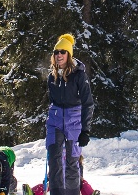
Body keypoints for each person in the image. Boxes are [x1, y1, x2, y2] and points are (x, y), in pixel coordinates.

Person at [45, 33, 94, 195]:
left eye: (62, 52)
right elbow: (52, 101)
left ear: (69, 54)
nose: (59, 55)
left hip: (74, 121)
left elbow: (88, 103)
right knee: (55, 159)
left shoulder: (79, 75)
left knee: (72, 161)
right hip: (55, 121)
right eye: (56, 52)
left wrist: (85, 130)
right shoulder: (52, 76)